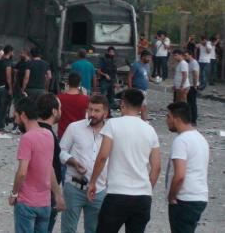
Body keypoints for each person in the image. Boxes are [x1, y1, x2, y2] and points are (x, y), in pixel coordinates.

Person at [88, 89, 161, 233]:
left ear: (122, 104)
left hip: (118, 193)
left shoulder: (113, 124)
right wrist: (147, 188)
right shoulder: (150, 130)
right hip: (142, 197)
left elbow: (103, 156)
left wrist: (93, 182)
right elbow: (157, 167)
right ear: (141, 107)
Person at [9, 97, 65, 233]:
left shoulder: (27, 138)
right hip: (44, 203)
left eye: (16, 117)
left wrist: (14, 193)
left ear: (23, 115)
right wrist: (57, 195)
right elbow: (50, 168)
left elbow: (22, 172)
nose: (16, 121)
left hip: (27, 203)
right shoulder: (48, 135)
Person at [59, 95, 109, 233]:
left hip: (99, 190)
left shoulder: (111, 133)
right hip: (73, 187)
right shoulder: (74, 128)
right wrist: (73, 162)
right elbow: (61, 152)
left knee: (94, 229)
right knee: (68, 229)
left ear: (106, 113)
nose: (92, 114)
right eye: (90, 109)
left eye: (97, 111)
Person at [165, 102, 209, 233]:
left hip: (184, 198)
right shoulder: (200, 138)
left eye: (168, 117)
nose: (166, 120)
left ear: (176, 118)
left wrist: (171, 196)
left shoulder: (181, 141)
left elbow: (179, 175)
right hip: (199, 196)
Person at [35, 93, 63, 233]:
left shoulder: (33, 130)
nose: (61, 111)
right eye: (60, 108)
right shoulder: (47, 134)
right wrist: (57, 194)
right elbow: (48, 166)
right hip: (45, 194)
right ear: (54, 111)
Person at [57, 72, 89, 139]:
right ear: (80, 83)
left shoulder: (59, 98)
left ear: (68, 83)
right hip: (79, 133)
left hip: (63, 133)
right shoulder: (85, 99)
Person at [128, 50, 152, 121]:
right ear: (143, 57)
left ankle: (143, 121)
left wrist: (154, 80)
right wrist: (130, 89)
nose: (149, 59)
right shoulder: (136, 65)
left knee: (142, 106)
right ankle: (143, 121)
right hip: (137, 89)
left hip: (144, 90)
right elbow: (130, 77)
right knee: (142, 106)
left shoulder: (147, 65)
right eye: (148, 57)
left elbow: (148, 76)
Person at [0, 45, 13, 131]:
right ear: (10, 52)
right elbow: (8, 77)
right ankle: (0, 126)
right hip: (4, 87)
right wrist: (10, 88)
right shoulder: (8, 63)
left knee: (0, 107)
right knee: (3, 107)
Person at [184, 50, 200, 125]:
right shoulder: (188, 63)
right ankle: (189, 118)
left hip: (192, 86)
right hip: (188, 85)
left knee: (192, 103)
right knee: (189, 103)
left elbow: (195, 75)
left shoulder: (194, 63)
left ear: (191, 55)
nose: (185, 57)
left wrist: (194, 85)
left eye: (186, 55)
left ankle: (194, 120)